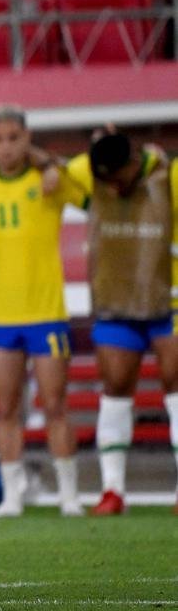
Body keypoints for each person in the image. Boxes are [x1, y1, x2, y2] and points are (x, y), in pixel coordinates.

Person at [0, 106, 84, 517]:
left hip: (46, 311)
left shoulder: (49, 182)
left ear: (27, 139)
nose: (7, 147)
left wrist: (49, 162)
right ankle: (11, 495)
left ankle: (69, 495)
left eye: (14, 138)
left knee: (55, 405)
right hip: (1, 315)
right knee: (6, 408)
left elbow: (86, 193)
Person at [66, 131, 178, 515]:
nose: (112, 186)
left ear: (134, 159)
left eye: (117, 176)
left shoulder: (171, 177)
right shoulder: (96, 174)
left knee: (176, 385)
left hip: (170, 301)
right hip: (117, 304)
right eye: (105, 179)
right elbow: (75, 168)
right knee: (114, 389)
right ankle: (112, 490)